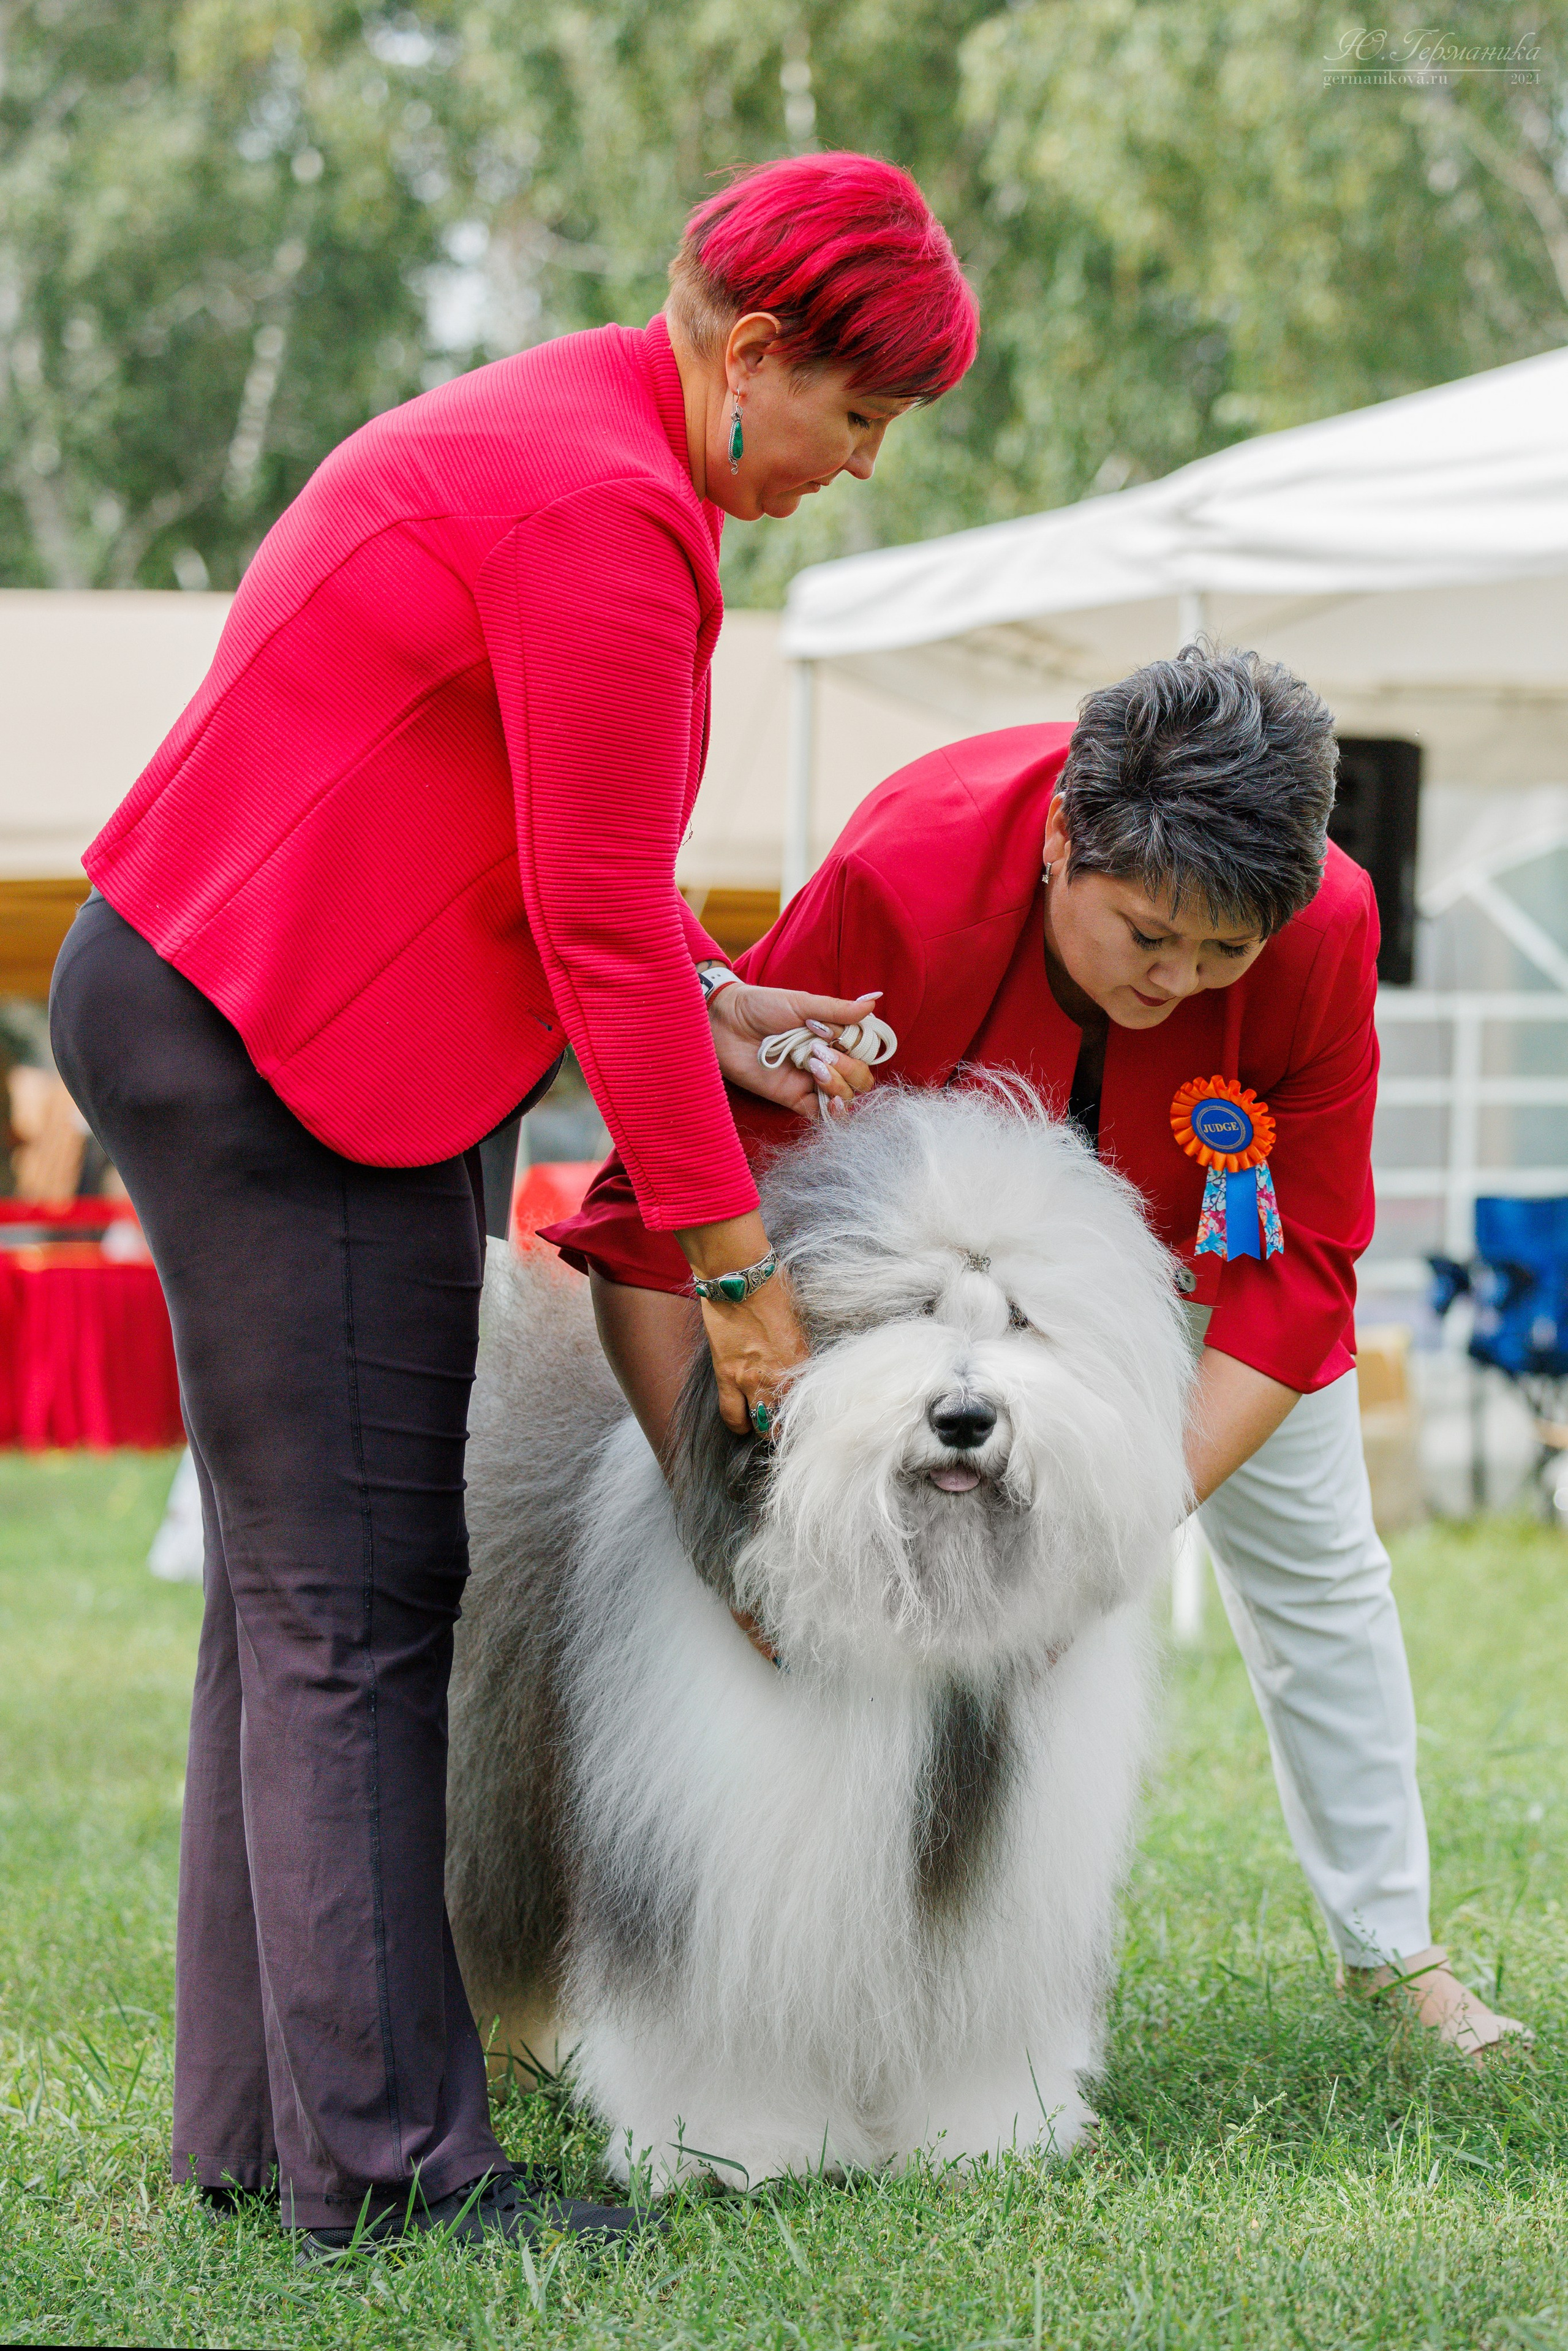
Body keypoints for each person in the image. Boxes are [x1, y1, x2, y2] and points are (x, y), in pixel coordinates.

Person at [48, 152, 978, 2252]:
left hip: (247, 1003)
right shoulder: (607, 509)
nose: (862, 462)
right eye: (860, 414)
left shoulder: (578, 434)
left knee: (300, 1605)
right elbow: (593, 926)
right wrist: (738, 1272)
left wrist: (722, 1005)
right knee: (363, 1612)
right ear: (758, 356)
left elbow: (569, 856)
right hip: (275, 1045)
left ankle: (262, 2129)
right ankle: (387, 2171)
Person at [547, 647, 1530, 2061]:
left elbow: (1301, 1267)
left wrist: (1113, 1506)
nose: (1179, 982)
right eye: (1145, 935)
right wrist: (710, 1519)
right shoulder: (911, 860)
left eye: (1223, 956)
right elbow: (672, 1195)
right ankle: (810, 1957)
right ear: (1064, 836)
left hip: (1200, 1269)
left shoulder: (1331, 920)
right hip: (937, 1281)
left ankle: (1394, 1953)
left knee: (1324, 1572)